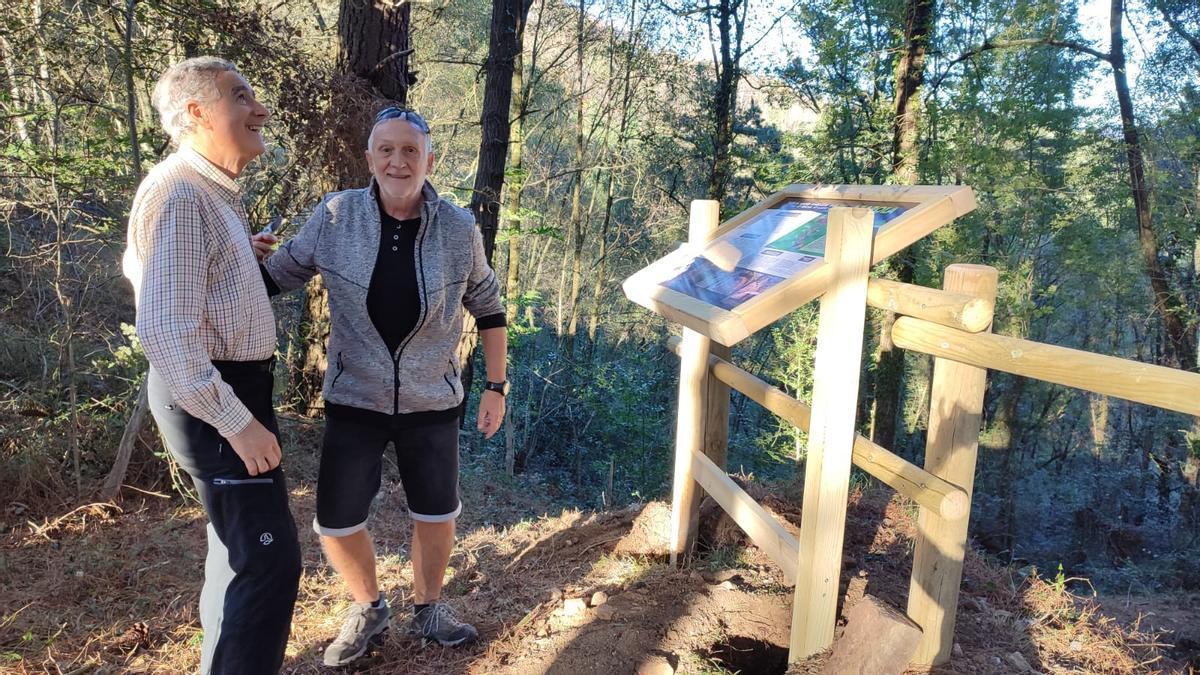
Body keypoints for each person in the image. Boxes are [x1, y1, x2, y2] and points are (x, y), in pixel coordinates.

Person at [256, 106, 507, 667]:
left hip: (432, 400)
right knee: (336, 521)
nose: (398, 161)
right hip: (355, 397)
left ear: (429, 160)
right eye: (387, 150)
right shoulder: (336, 215)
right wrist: (232, 264)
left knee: (436, 515)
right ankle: (368, 606)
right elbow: (278, 275)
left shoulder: (459, 228)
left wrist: (496, 386)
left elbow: (489, 308)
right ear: (370, 159)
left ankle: (430, 609)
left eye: (410, 151)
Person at [123, 57, 302, 674]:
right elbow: (166, 329)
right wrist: (236, 421)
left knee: (235, 556)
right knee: (267, 564)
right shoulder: (182, 193)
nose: (260, 109)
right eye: (240, 95)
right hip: (213, 395)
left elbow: (145, 272)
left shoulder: (203, 192)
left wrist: (232, 260)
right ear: (196, 112)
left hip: (223, 388)